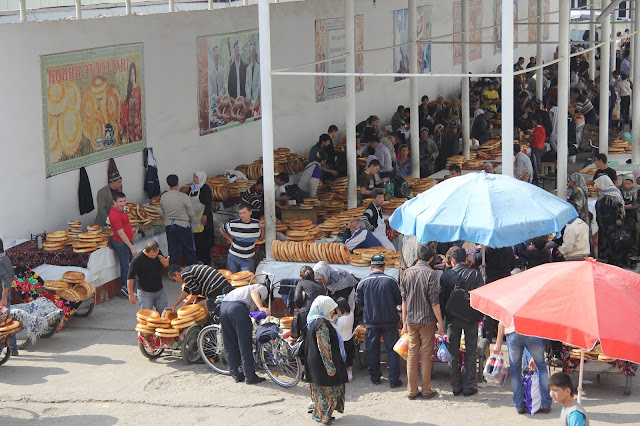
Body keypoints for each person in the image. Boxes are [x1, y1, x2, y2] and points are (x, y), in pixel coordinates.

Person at [400, 244, 444, 400]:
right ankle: (426, 390)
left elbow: (404, 299)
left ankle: (412, 391)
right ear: (431, 259)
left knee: (412, 355)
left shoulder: (407, 273)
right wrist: (440, 322)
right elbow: (434, 301)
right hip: (427, 320)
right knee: (426, 356)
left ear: (417, 256)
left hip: (411, 320)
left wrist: (404, 320)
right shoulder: (431, 274)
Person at [439, 247, 484, 397]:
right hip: (471, 319)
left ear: (452, 260)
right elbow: (481, 298)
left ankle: (456, 386)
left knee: (453, 352)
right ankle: (469, 386)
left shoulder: (446, 275)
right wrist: (479, 317)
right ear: (465, 259)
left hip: (452, 319)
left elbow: (441, 298)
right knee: (471, 351)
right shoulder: (476, 274)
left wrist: (445, 316)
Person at [356, 254, 402, 387]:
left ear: (371, 267)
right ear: (384, 266)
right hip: (390, 321)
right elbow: (398, 301)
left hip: (371, 321)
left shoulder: (363, 283)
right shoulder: (391, 281)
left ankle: (375, 377)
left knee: (372, 349)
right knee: (392, 349)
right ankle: (394, 379)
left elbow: (359, 303)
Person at [304, 296, 348, 424]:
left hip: (315, 361)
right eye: (331, 309)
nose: (333, 311)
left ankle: (320, 414)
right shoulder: (322, 324)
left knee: (321, 390)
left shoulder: (313, 320)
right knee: (328, 390)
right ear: (324, 308)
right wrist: (330, 367)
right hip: (322, 363)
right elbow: (323, 346)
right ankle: (323, 416)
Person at [494, 320, 553, 415]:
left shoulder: (508, 304)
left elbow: (502, 320)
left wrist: (498, 343)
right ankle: (545, 404)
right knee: (541, 368)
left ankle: (519, 406)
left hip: (513, 333)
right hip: (532, 331)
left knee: (515, 371)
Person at [219, 282, 270, 384]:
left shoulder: (242, 289)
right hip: (237, 308)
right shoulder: (263, 288)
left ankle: (236, 375)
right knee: (244, 344)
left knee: (230, 343)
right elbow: (255, 292)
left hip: (223, 307)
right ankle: (250, 377)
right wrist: (261, 307)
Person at [474, 246, 515, 339]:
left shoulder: (487, 248)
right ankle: (503, 334)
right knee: (503, 309)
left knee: (489, 310)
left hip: (490, 281)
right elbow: (513, 264)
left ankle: (488, 335)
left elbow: (476, 260)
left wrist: (478, 249)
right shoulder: (508, 247)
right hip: (505, 280)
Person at [167, 263, 233, 313]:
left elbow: (195, 292)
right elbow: (186, 291)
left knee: (212, 308)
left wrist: (186, 303)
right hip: (222, 285)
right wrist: (174, 305)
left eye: (174, 278)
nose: (176, 281)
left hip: (216, 287)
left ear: (177, 273)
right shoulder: (188, 271)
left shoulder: (185, 274)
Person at [161, 174, 197, 267]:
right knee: (188, 249)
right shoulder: (183, 196)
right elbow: (191, 213)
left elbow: (163, 212)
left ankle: (174, 273)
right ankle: (193, 271)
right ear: (178, 183)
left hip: (169, 226)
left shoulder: (163, 197)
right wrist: (190, 221)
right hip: (183, 225)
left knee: (172, 250)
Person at [126, 240, 170, 311]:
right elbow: (130, 277)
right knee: (146, 316)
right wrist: (131, 294)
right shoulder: (137, 260)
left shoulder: (158, 253)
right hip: (145, 293)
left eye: (156, 255)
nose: (155, 257)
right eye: (152, 255)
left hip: (160, 290)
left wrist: (166, 264)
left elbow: (165, 265)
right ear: (146, 251)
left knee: (164, 315)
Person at [220, 203, 264, 273]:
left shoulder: (257, 225)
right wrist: (230, 240)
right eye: (240, 213)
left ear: (250, 212)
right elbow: (222, 229)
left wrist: (263, 228)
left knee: (245, 280)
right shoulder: (233, 224)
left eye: (244, 213)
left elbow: (261, 239)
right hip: (233, 257)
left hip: (247, 259)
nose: (242, 215)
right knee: (232, 279)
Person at [109, 191, 137, 297]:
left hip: (126, 241)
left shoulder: (122, 210)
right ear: (114, 202)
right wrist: (131, 247)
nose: (123, 203)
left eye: (124, 201)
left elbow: (124, 226)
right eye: (120, 201)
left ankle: (130, 288)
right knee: (126, 266)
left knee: (132, 265)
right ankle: (126, 289)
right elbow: (120, 233)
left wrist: (131, 229)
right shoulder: (114, 214)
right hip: (121, 243)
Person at [594, 176, 625, 265]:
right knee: (605, 243)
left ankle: (614, 263)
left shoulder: (613, 195)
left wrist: (619, 219)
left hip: (611, 224)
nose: (596, 186)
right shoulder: (603, 194)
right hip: (603, 224)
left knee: (612, 243)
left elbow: (619, 208)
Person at [187, 170, 214, 265]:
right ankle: (197, 260)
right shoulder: (191, 189)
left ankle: (205, 261)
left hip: (204, 219)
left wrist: (205, 215)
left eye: (197, 177)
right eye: (194, 176)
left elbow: (208, 203)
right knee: (196, 241)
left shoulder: (205, 188)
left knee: (204, 241)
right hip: (194, 220)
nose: (194, 179)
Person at [294, 266, 328, 335]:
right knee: (316, 336)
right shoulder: (322, 286)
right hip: (318, 314)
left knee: (304, 336)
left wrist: (300, 307)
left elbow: (297, 299)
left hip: (305, 312)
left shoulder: (301, 284)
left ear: (301, 277)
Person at [0, 238, 18, 355]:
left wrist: (4, 298)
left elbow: (6, 278)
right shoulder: (5, 258)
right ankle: (13, 349)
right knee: (8, 323)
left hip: (2, 294)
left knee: (4, 325)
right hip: (6, 293)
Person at [119, 62, 142, 143]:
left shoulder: (139, 90)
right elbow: (125, 108)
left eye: (133, 74)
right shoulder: (129, 91)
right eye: (131, 75)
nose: (132, 77)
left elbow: (140, 110)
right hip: (130, 127)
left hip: (137, 126)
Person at [334, 297, 355, 382]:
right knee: (349, 358)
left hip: (342, 342)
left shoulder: (341, 320)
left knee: (341, 359)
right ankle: (350, 375)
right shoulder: (351, 314)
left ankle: (342, 375)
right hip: (350, 338)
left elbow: (338, 330)